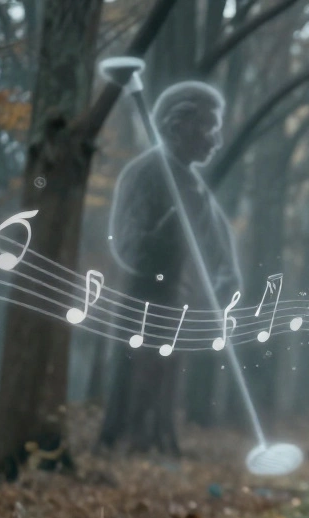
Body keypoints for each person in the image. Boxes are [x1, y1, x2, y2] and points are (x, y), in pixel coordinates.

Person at [99, 81, 242, 454]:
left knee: (165, 384)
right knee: (140, 380)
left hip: (180, 303)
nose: (215, 140)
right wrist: (166, 235)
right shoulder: (144, 173)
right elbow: (129, 247)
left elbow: (216, 244)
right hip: (146, 302)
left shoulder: (192, 185)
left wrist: (226, 276)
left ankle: (158, 442)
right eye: (208, 127)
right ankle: (130, 446)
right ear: (179, 126)